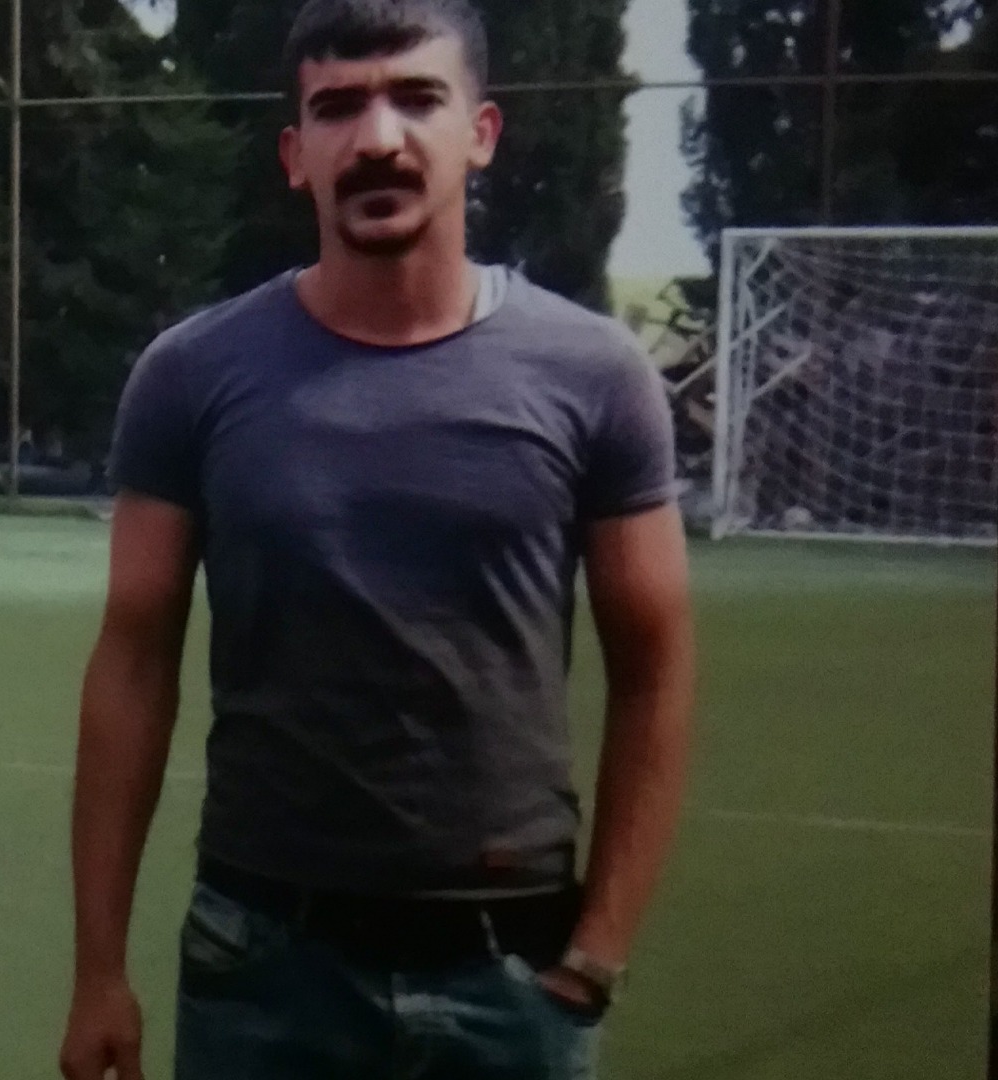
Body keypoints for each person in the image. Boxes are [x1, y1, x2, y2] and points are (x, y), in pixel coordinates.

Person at [58, 1, 694, 1078]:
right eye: (339, 107)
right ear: (295, 154)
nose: (378, 137)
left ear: (480, 133)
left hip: (509, 970)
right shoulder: (191, 375)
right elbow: (132, 662)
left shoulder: (595, 375)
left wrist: (597, 953)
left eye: (416, 97)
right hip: (261, 965)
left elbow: (657, 667)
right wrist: (98, 969)